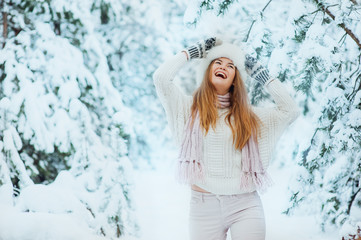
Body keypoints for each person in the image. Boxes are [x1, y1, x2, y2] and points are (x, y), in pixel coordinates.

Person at [153, 37, 300, 240]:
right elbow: (161, 78)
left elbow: (290, 110)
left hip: (245, 205)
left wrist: (262, 75)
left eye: (231, 65)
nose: (223, 66)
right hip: (203, 206)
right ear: (208, 70)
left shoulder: (250, 117)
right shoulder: (186, 108)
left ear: (234, 79)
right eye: (217, 62)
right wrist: (192, 52)